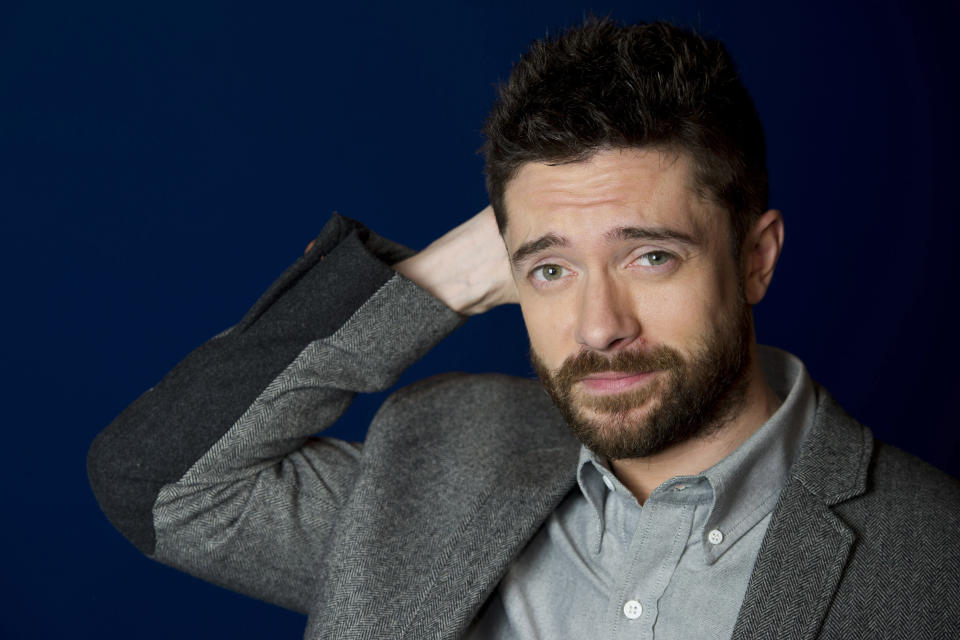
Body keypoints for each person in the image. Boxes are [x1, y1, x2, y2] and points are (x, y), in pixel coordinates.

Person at [87, 18, 960, 639]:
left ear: (756, 258)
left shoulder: (934, 558)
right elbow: (161, 483)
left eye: (650, 256)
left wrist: (556, 239)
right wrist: (456, 273)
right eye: (549, 271)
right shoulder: (435, 461)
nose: (597, 325)